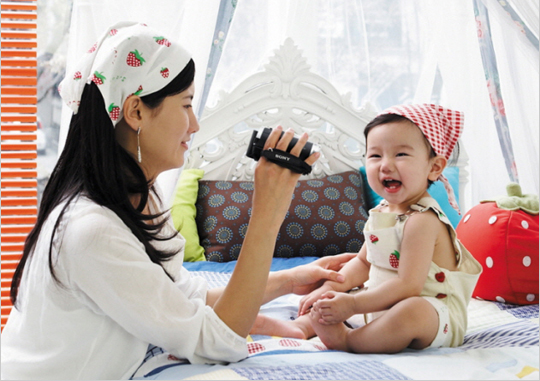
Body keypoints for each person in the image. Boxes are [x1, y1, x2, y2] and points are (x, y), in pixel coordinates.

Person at [0, 21, 355, 380]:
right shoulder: (90, 232)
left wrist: (288, 281)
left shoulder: (137, 198)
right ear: (136, 111)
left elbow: (183, 299)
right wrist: (268, 211)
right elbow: (217, 341)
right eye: (186, 104)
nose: (195, 124)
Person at [251, 104, 482, 354]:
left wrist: (352, 304)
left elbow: (408, 286)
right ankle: (302, 327)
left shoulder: (423, 220)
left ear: (434, 167)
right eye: (375, 156)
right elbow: (363, 263)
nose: (385, 165)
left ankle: (349, 340)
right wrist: (333, 288)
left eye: (401, 154)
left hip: (434, 316)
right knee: (338, 292)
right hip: (383, 304)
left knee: (411, 310)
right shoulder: (381, 212)